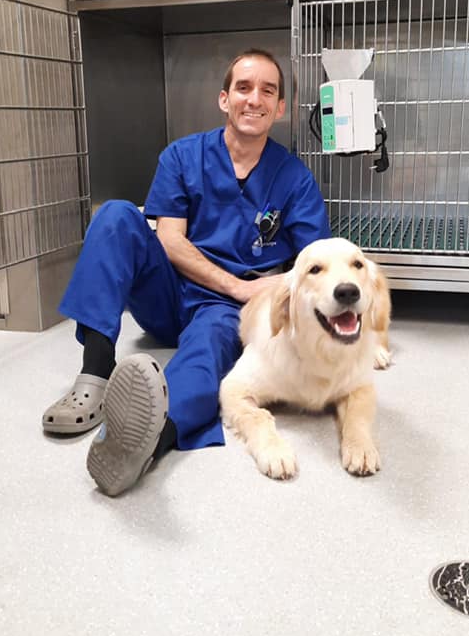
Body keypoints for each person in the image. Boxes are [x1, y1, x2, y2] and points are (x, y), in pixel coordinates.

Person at [43, 49, 331, 495]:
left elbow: (313, 267)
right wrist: (238, 284)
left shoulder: (294, 178)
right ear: (224, 99)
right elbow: (170, 240)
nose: (254, 99)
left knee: (205, 360)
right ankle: (96, 372)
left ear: (280, 109)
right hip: (171, 292)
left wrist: (258, 291)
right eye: (243, 88)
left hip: (223, 309)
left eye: (267, 91)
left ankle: (144, 442)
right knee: (117, 215)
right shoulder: (182, 156)